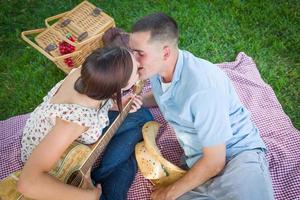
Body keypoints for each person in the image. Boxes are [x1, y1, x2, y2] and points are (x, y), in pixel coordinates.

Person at [129, 12, 274, 200]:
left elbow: (215, 162)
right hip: (199, 161)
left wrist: (169, 193)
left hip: (237, 157)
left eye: (140, 53)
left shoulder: (202, 89)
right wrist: (137, 100)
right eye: (132, 51)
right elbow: (163, 95)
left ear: (165, 52)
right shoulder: (158, 71)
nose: (133, 60)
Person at [17, 46, 153, 200]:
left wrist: (116, 104)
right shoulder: (74, 122)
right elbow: (28, 183)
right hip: (53, 166)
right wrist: (89, 196)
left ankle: (101, 172)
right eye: (136, 71)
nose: (139, 69)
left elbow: (97, 99)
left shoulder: (89, 73)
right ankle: (102, 181)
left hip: (68, 141)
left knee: (143, 117)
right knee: (141, 127)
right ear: (119, 86)